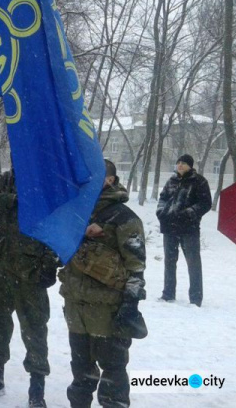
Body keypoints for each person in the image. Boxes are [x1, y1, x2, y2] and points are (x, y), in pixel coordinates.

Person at [59, 160, 147, 408]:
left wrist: (130, 305)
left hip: (107, 312)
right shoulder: (76, 213)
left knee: (113, 373)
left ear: (109, 180)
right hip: (76, 309)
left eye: (93, 177)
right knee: (81, 373)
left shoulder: (124, 218)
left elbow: (136, 268)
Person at [0, 169, 60, 407]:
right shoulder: (8, 178)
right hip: (3, 263)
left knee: (34, 328)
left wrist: (51, 261)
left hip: (33, 268)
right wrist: (12, 199)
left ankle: (36, 389)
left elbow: (60, 218)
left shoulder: (48, 177)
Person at [157, 154, 211, 307]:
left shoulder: (199, 181)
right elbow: (163, 198)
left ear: (190, 166)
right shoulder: (171, 181)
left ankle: (195, 298)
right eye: (178, 163)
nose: (180, 165)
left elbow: (205, 203)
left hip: (189, 229)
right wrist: (161, 212)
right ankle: (168, 294)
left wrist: (189, 213)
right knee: (169, 261)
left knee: (193, 263)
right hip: (169, 227)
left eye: (183, 163)